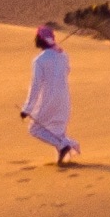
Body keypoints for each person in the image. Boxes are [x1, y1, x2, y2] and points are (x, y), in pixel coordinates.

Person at [21, 22, 79, 165]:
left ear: (40, 40)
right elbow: (67, 71)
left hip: (48, 99)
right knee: (57, 130)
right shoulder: (63, 55)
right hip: (64, 98)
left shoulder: (39, 60)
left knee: (34, 128)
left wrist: (26, 109)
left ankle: (65, 145)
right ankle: (64, 156)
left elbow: (35, 85)